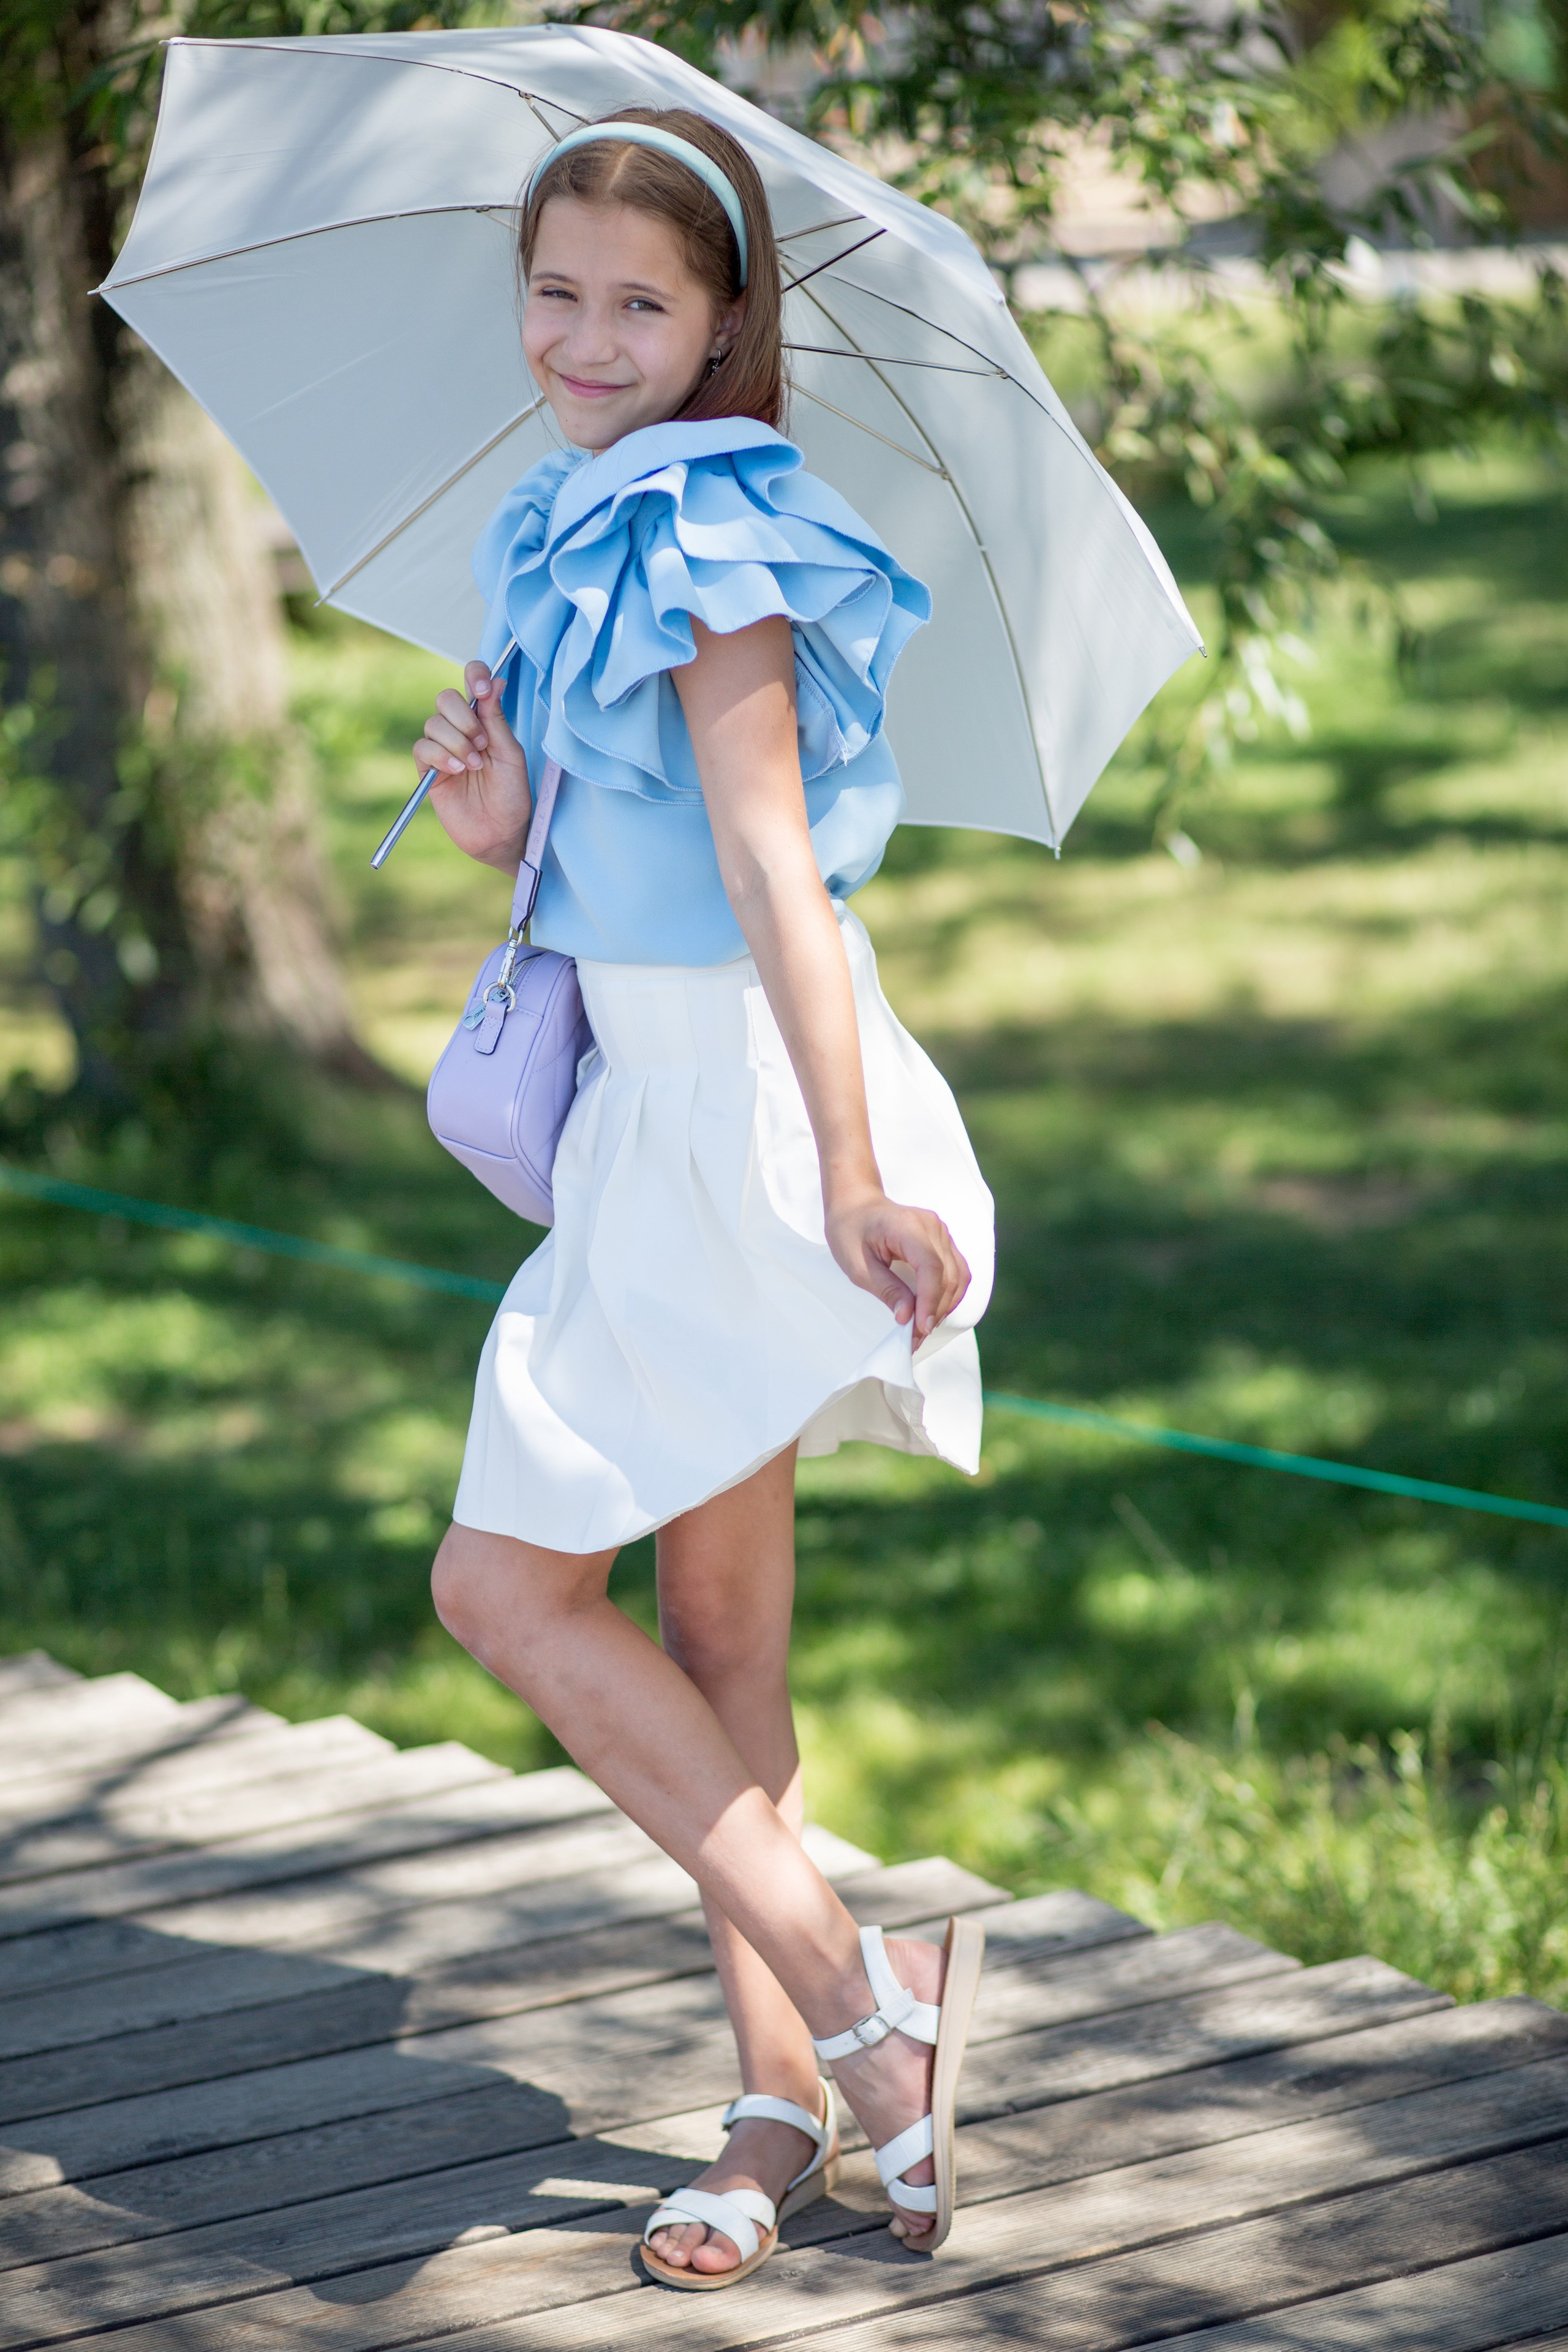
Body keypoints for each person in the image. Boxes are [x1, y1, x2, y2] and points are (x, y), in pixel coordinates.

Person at [416, 104, 995, 2290]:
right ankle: (774, 2110)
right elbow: (615, 856)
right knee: (718, 1638)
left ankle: (866, 2013)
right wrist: (497, 829)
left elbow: (772, 867)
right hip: (640, 1105)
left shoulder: (712, 525)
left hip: (739, 1115)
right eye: (554, 291)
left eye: (639, 300)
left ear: (726, 319)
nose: (585, 334)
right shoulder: (570, 520)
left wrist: (846, 1172)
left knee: (501, 1586)